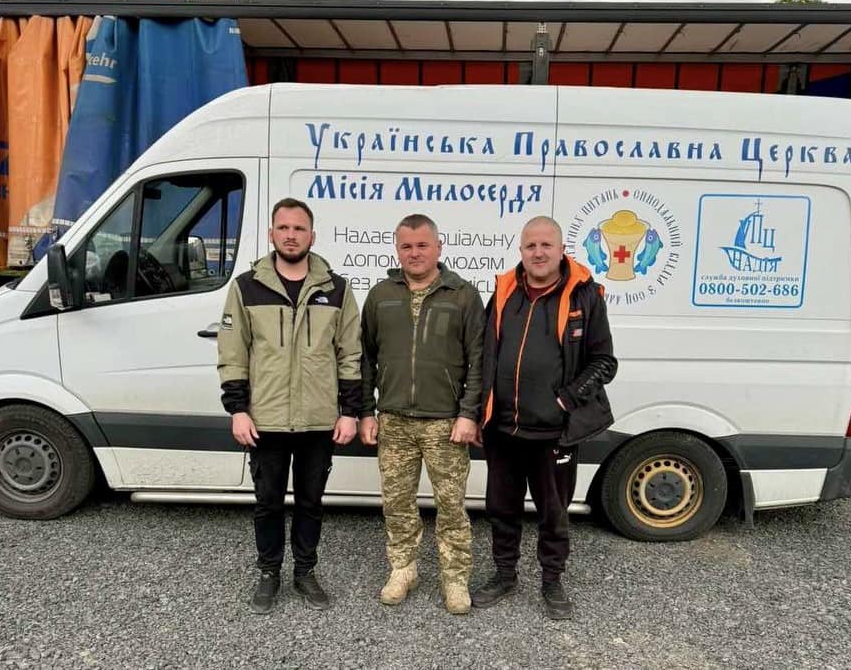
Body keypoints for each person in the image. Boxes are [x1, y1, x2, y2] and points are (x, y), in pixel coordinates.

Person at [217, 198, 362, 614]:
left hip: (319, 420)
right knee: (268, 503)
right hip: (266, 419)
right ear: (271, 234)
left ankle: (305, 572)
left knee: (311, 503)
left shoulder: (336, 289)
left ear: (312, 235)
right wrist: (238, 409)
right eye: (283, 228)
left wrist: (349, 411)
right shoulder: (247, 287)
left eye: (299, 228)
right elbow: (233, 352)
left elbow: (350, 354)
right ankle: (269, 573)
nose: (291, 235)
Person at [472, 216, 618, 620]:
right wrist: (480, 410)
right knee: (501, 508)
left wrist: (565, 401)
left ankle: (552, 580)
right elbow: (484, 353)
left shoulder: (584, 296)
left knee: (553, 514)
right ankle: (505, 575)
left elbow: (604, 362)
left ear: (560, 249)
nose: (538, 253)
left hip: (554, 432)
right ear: (521, 250)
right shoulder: (504, 291)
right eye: (530, 246)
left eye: (546, 245)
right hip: (503, 429)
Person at [359, 214, 484, 615]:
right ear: (398, 250)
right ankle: (403, 569)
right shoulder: (381, 295)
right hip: (394, 420)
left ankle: (455, 579)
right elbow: (365, 358)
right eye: (406, 246)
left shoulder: (462, 295)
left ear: (438, 247)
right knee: (396, 503)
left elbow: (479, 361)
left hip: (446, 422)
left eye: (422, 245)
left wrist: (469, 414)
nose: (414, 253)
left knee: (451, 506)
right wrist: (365, 411)